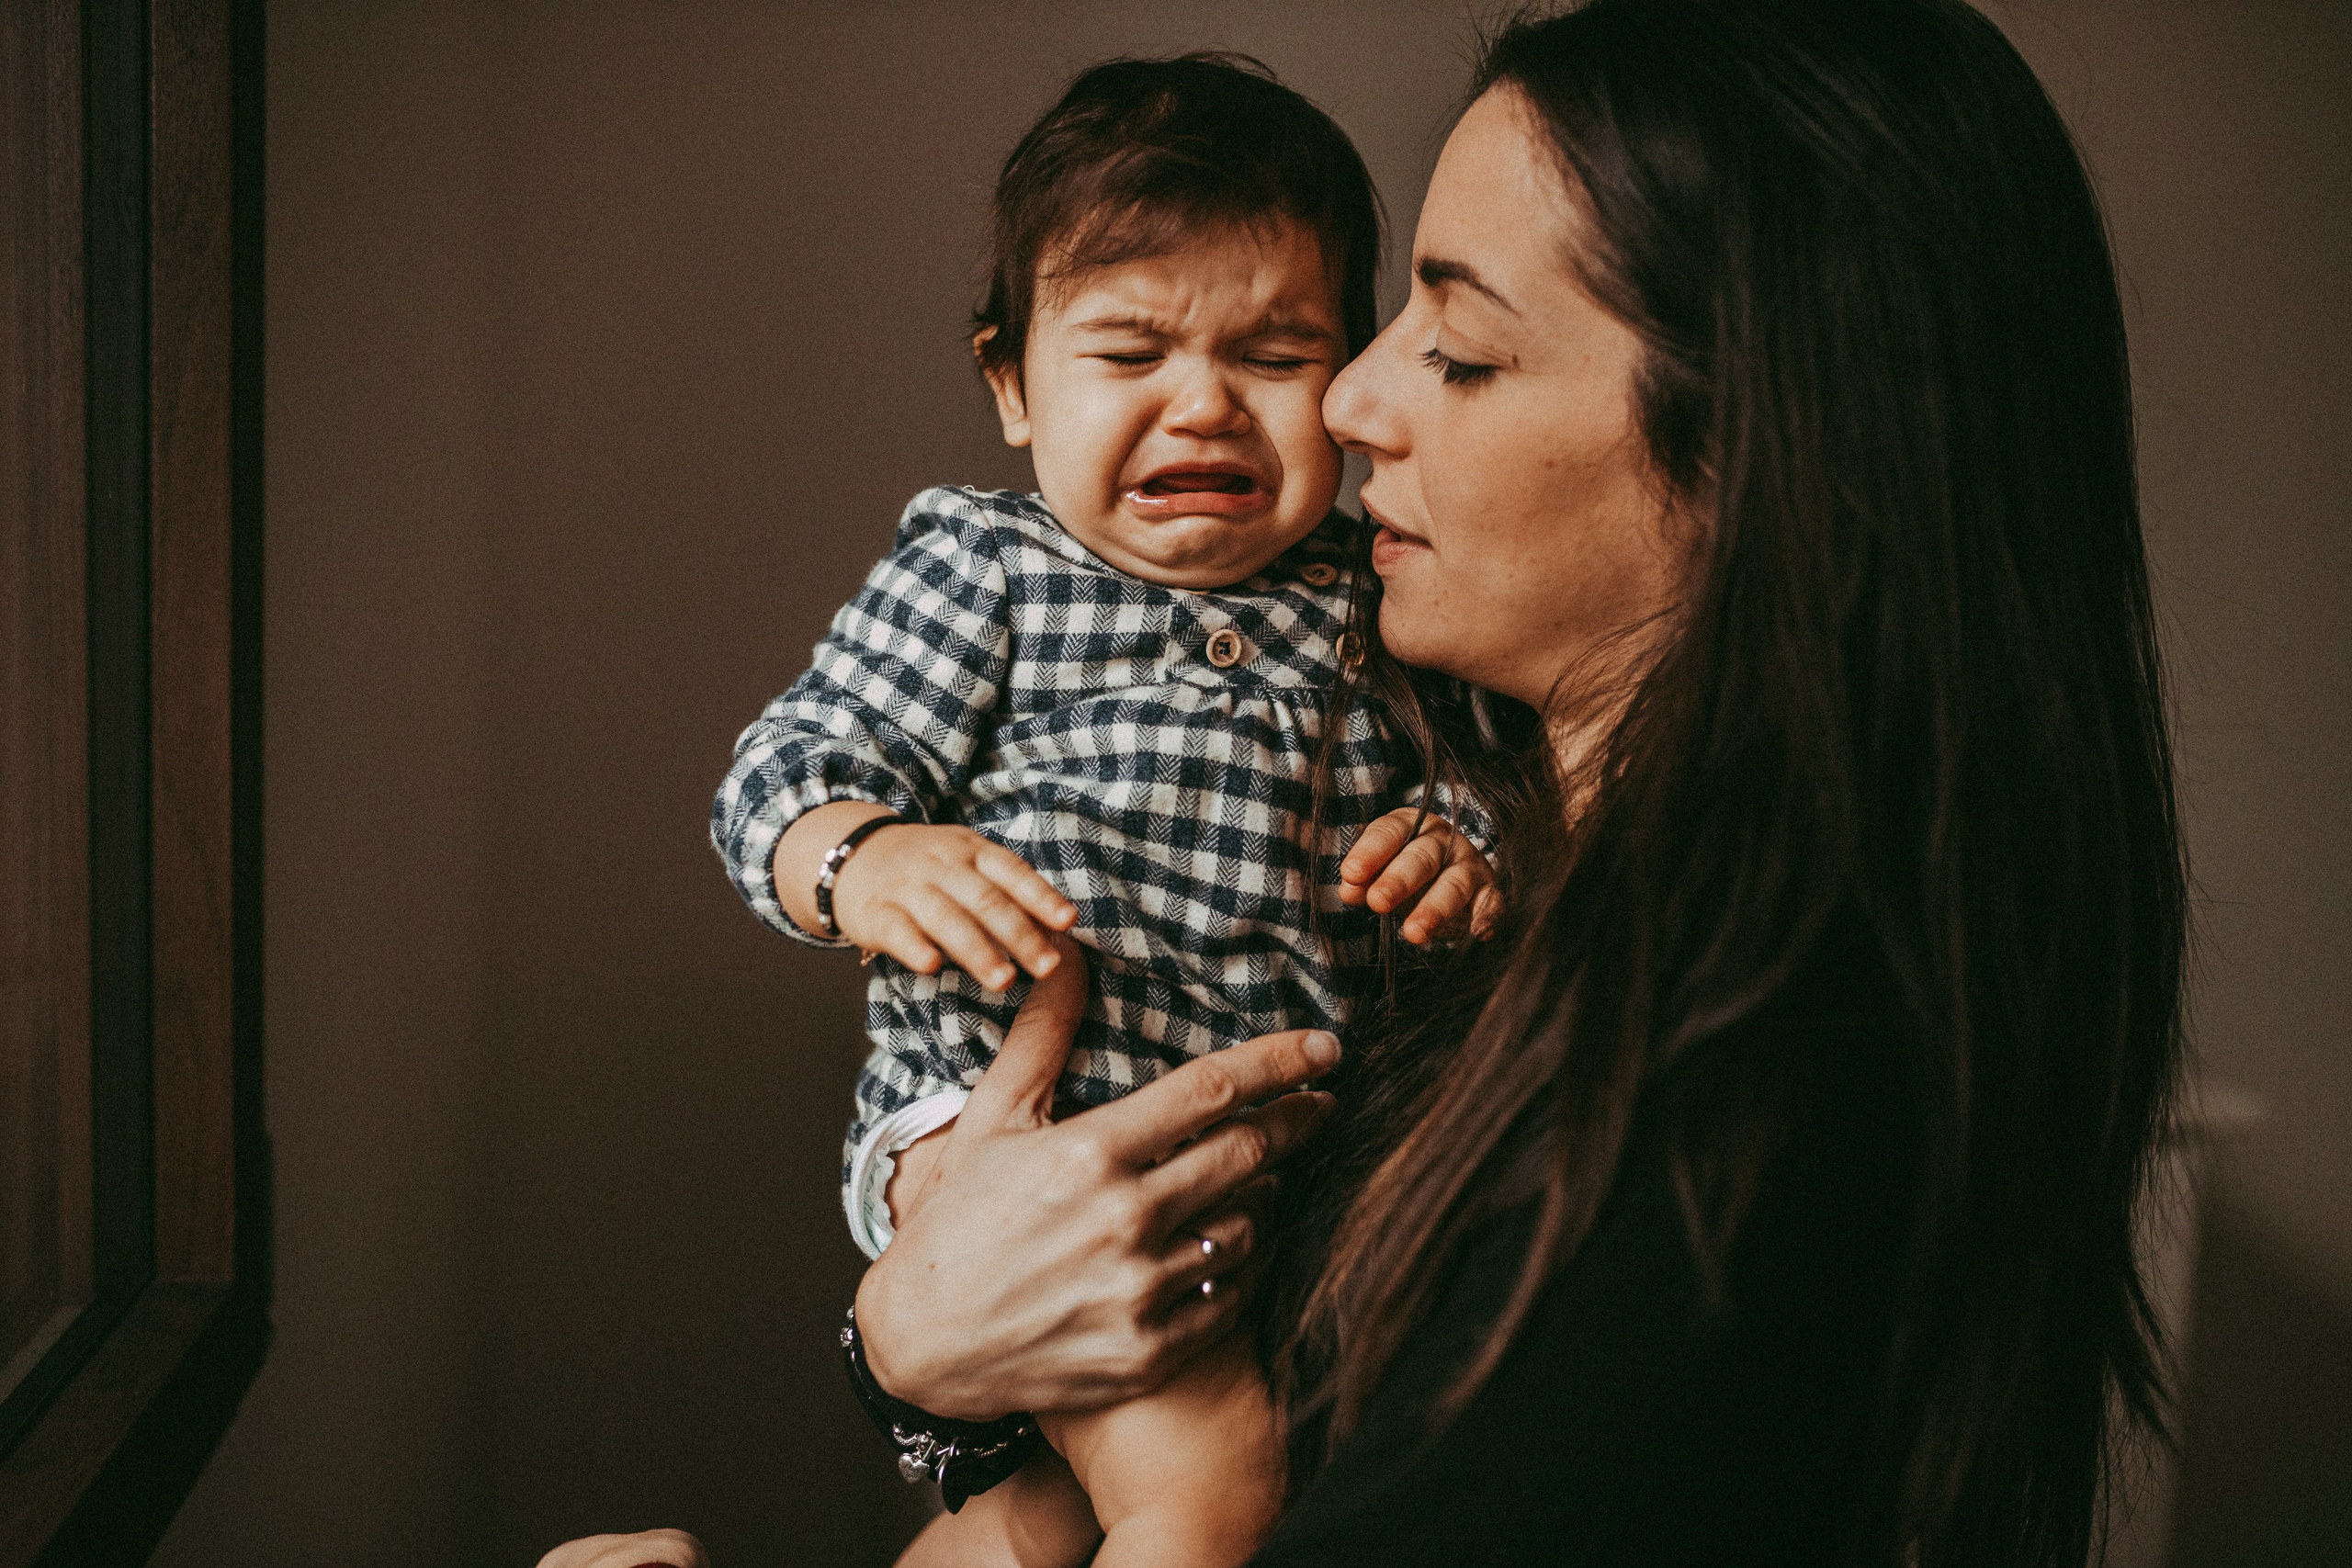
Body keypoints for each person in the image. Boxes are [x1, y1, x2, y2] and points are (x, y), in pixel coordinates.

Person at [565, 0, 2183, 1561]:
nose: (1344, 403)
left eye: (1456, 350)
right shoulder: (1534, 913)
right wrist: (919, 1344)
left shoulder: (1714, 1124)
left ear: (1758, 447)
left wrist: (926, 1344)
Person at [708, 53, 1493, 1568]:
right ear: (1011, 384)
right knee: (1216, 1496)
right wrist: (862, 856)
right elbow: (786, 767)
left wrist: (1463, 843)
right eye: (1130, 353)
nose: (1203, 405)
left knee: (1045, 1517)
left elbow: (1481, 771)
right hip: (1006, 1133)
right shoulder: (986, 568)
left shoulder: (1374, 593)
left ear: (1345, 378)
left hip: (1261, 1167)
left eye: (1275, 354)